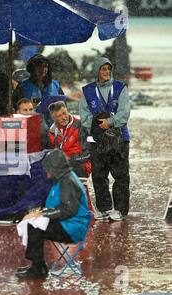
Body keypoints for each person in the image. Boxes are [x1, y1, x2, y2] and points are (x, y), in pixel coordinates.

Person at [15, 149, 90, 279]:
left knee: (35, 228)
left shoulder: (68, 181)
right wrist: (39, 213)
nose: (46, 171)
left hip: (72, 228)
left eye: (48, 168)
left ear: (55, 167)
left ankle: (38, 267)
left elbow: (67, 210)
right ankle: (38, 265)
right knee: (33, 224)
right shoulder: (63, 177)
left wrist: (44, 214)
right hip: (67, 222)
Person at [79, 57, 130, 222]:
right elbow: (84, 115)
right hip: (96, 139)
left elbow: (124, 113)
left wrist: (110, 122)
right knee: (99, 175)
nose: (107, 72)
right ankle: (104, 208)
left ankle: (120, 209)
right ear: (96, 71)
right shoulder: (87, 91)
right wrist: (98, 124)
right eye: (103, 69)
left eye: (109, 69)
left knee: (120, 174)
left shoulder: (120, 88)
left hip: (119, 139)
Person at [12, 54, 64, 126]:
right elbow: (16, 106)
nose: (43, 69)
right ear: (32, 68)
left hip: (53, 126)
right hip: (30, 125)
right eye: (39, 66)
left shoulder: (55, 85)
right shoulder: (23, 86)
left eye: (46, 66)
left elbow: (63, 105)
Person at [48, 101, 91, 178]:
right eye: (59, 116)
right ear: (53, 118)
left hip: (81, 166)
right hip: (64, 166)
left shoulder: (80, 126)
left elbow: (89, 153)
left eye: (64, 113)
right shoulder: (52, 132)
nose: (64, 117)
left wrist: (71, 160)